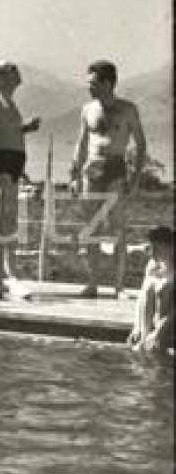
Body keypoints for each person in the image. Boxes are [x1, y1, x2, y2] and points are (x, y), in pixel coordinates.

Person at [70, 60, 148, 298]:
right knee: (91, 229)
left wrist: (134, 179)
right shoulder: (87, 109)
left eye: (93, 83)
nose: (89, 88)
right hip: (91, 170)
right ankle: (93, 283)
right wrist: (74, 175)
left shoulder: (128, 109)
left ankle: (119, 286)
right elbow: (82, 143)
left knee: (117, 228)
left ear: (107, 83)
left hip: (115, 169)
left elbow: (141, 144)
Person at [0, 61, 40, 296]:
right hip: (0, 167)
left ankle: (1, 274)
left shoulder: (8, 102)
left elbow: (7, 133)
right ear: (0, 77)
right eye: (10, 69)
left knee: (7, 220)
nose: (16, 71)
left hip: (12, 166)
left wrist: (26, 129)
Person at [128, 226, 174, 356]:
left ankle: (156, 340)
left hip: (168, 315)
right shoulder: (153, 264)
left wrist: (158, 332)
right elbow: (142, 296)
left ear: (170, 247)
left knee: (164, 287)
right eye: (151, 248)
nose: (153, 253)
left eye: (157, 249)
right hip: (158, 315)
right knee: (149, 287)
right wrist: (137, 326)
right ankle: (146, 338)